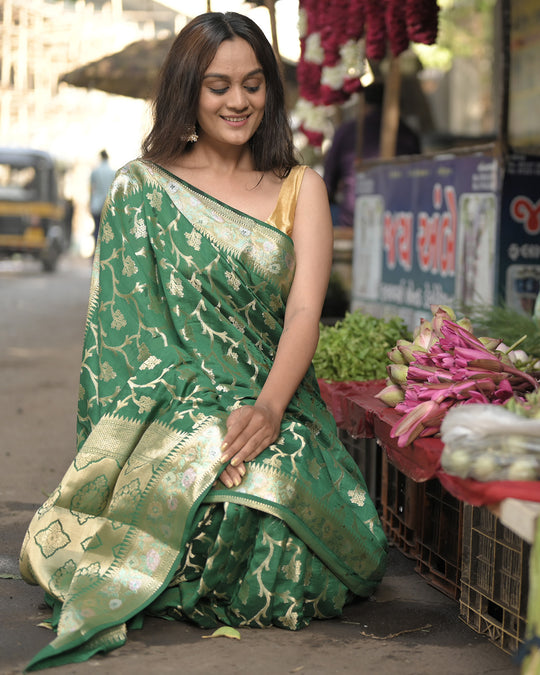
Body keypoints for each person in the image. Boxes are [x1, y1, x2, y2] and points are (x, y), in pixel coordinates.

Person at [20, 12, 387, 671]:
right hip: (173, 402)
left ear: (270, 92)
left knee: (286, 510)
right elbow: (134, 336)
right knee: (201, 474)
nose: (238, 101)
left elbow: (305, 310)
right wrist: (209, 419)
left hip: (277, 399)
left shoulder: (299, 189)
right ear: (189, 89)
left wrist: (268, 409)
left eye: (252, 84)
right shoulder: (142, 188)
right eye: (218, 86)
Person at [323, 82, 421, 228]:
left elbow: (328, 183)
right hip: (400, 217)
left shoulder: (347, 131)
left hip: (353, 216)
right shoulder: (408, 133)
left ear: (364, 104)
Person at [89, 149, 115, 245]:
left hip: (96, 205)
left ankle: (96, 254)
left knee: (97, 230)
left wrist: (90, 203)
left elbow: (91, 189)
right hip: (108, 206)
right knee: (107, 231)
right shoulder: (113, 172)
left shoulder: (95, 172)